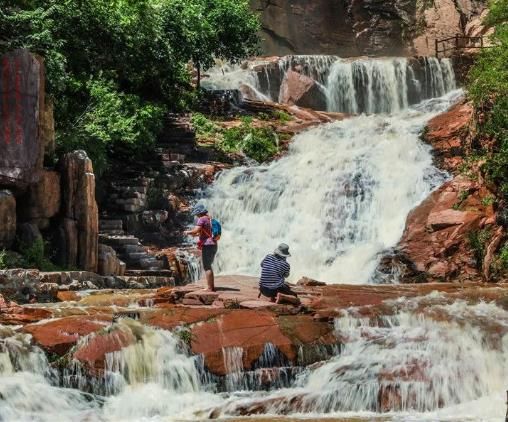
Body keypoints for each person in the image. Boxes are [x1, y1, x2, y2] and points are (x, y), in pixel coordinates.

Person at [185, 204, 218, 291]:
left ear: (199, 213)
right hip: (214, 244)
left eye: (196, 213)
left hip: (207, 245)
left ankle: (209, 287)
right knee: (209, 265)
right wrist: (195, 234)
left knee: (207, 266)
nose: (196, 215)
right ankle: (211, 286)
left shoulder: (201, 219)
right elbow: (203, 232)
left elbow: (195, 230)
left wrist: (187, 232)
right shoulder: (209, 218)